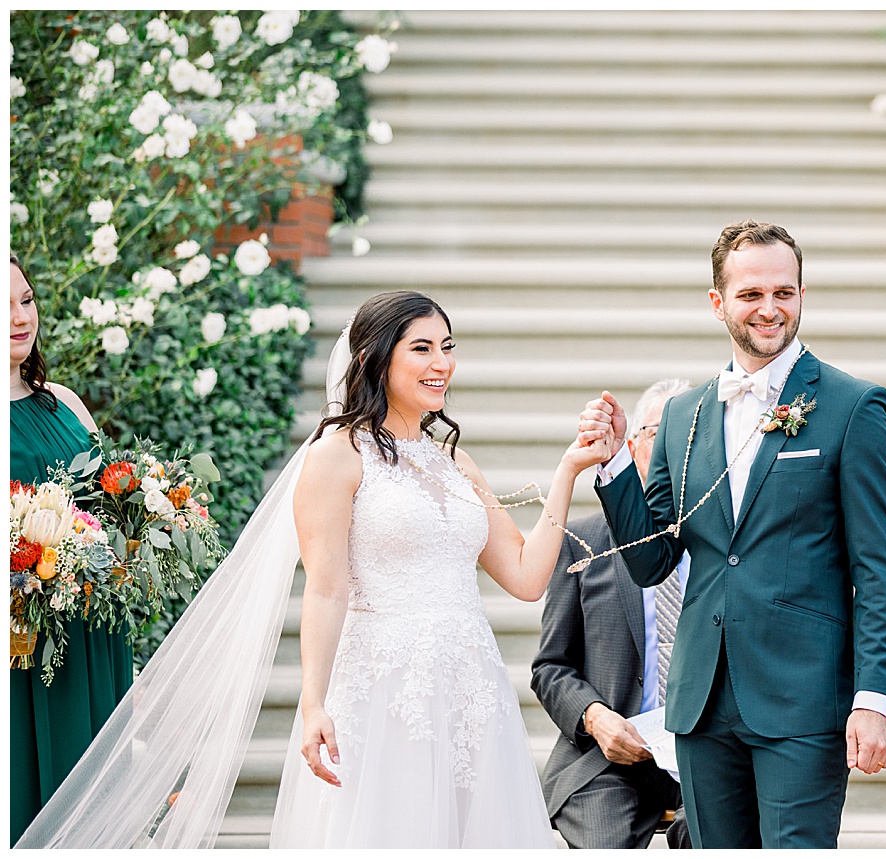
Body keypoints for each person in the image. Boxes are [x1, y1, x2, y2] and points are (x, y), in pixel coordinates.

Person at [18, 290, 608, 849]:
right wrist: (314, 703)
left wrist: (568, 471)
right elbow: (325, 592)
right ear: (377, 360)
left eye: (447, 346)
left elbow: (529, 579)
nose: (441, 364)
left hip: (471, 687)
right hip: (383, 689)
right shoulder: (337, 455)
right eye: (421, 348)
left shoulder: (456, 461)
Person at [577, 220, 886, 849]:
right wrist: (617, 463)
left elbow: (879, 569)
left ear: (802, 295)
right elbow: (652, 563)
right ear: (718, 302)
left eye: (784, 292)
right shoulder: (683, 414)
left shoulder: (853, 406)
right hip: (702, 702)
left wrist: (875, 698)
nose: (770, 308)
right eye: (752, 294)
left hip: (803, 698)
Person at [532, 378, 694, 850]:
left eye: (688, 437)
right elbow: (549, 667)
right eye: (657, 433)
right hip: (607, 756)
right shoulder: (583, 542)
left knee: (713, 836)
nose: (671, 448)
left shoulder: (725, 546)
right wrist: (595, 717)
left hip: (705, 754)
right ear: (631, 446)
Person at [9, 255, 135, 846]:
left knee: (96, 785)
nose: (19, 316)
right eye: (4, 304)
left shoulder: (62, 400)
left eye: (26, 300)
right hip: (24, 632)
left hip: (88, 623)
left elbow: (108, 499)